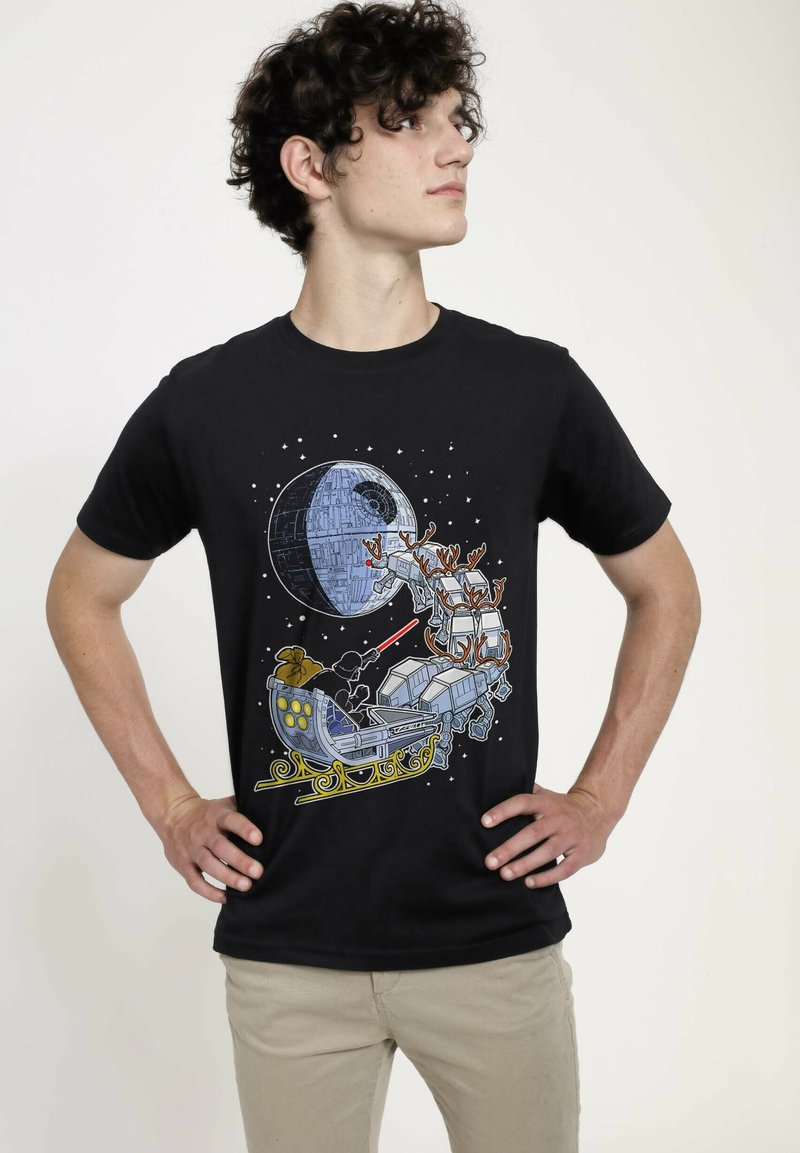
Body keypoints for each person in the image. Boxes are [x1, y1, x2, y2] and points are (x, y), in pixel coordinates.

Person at [45, 2, 701, 1150]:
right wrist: (169, 802)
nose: (454, 146)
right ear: (310, 166)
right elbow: (80, 594)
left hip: (491, 936)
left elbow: (665, 589)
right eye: (405, 121)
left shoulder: (530, 387)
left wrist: (600, 795)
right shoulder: (207, 403)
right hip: (288, 950)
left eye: (455, 118)